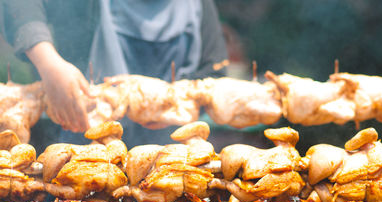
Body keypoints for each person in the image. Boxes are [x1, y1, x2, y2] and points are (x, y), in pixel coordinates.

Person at [2, 0, 227, 147]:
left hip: (170, 163)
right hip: (81, 153)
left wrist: (175, 103)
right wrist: (49, 63)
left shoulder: (197, 5)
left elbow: (213, 78)